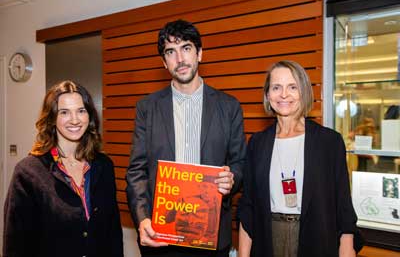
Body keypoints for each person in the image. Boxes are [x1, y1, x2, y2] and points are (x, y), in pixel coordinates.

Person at [126, 19, 246, 257]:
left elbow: (240, 163)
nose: (180, 59)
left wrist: (231, 179)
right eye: (171, 52)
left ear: (200, 53)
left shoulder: (229, 106)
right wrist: (142, 218)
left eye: (186, 48)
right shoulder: (147, 108)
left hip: (211, 237)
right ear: (164, 62)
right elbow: (136, 171)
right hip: (162, 237)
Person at [238, 60, 362, 257]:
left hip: (317, 239)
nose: (284, 94)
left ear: (303, 92)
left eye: (292, 87)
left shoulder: (329, 142)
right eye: (276, 87)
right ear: (267, 95)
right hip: (267, 240)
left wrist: (347, 248)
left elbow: (343, 206)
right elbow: (248, 208)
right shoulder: (257, 143)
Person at [3, 80, 124, 257]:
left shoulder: (103, 166)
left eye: (81, 111)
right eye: (64, 112)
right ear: (52, 118)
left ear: (89, 116)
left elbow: (113, 233)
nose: (75, 119)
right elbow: (15, 244)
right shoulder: (28, 172)